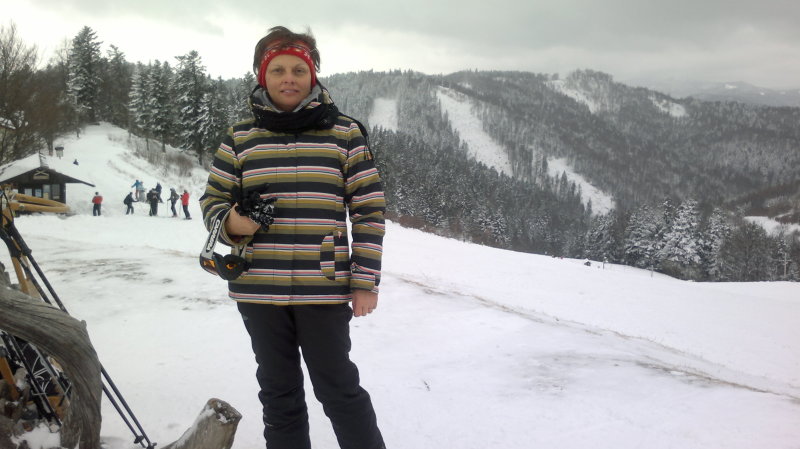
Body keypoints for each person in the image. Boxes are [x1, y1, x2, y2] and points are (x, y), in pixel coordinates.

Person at [200, 26, 386, 449]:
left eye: (299, 70)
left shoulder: (345, 134)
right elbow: (212, 200)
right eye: (278, 70)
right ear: (262, 76)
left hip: (323, 287)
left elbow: (369, 210)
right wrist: (233, 223)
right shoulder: (240, 137)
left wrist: (365, 281)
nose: (289, 79)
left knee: (338, 389)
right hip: (257, 288)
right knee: (278, 394)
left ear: (313, 75)